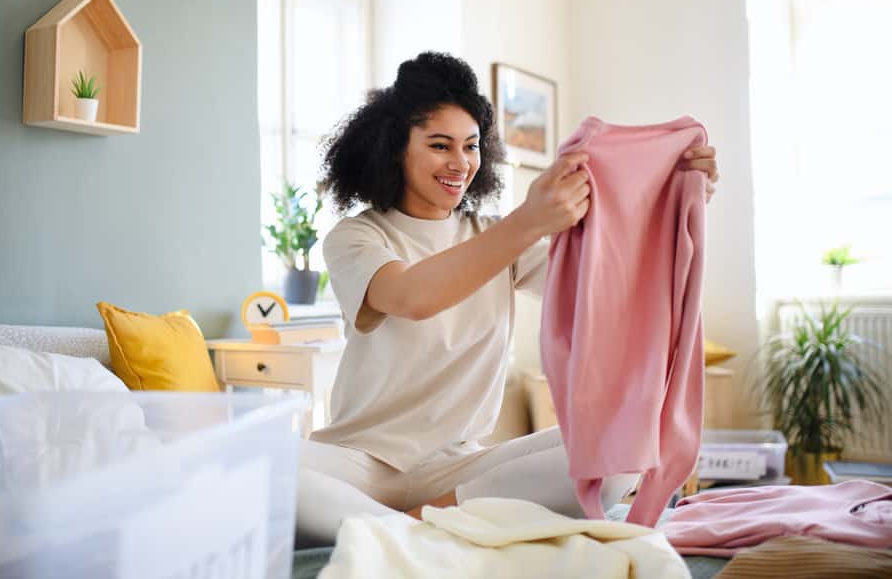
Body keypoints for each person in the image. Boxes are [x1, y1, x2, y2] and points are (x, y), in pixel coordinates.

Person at [295, 52, 719, 545]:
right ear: (395, 149)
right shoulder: (356, 237)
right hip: (357, 460)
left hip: (458, 470)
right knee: (263, 472)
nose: (460, 163)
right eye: (440, 145)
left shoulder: (495, 236)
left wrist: (678, 197)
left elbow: (606, 283)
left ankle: (408, 527)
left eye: (471, 147)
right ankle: (419, 531)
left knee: (623, 452)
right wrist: (529, 221)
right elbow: (412, 296)